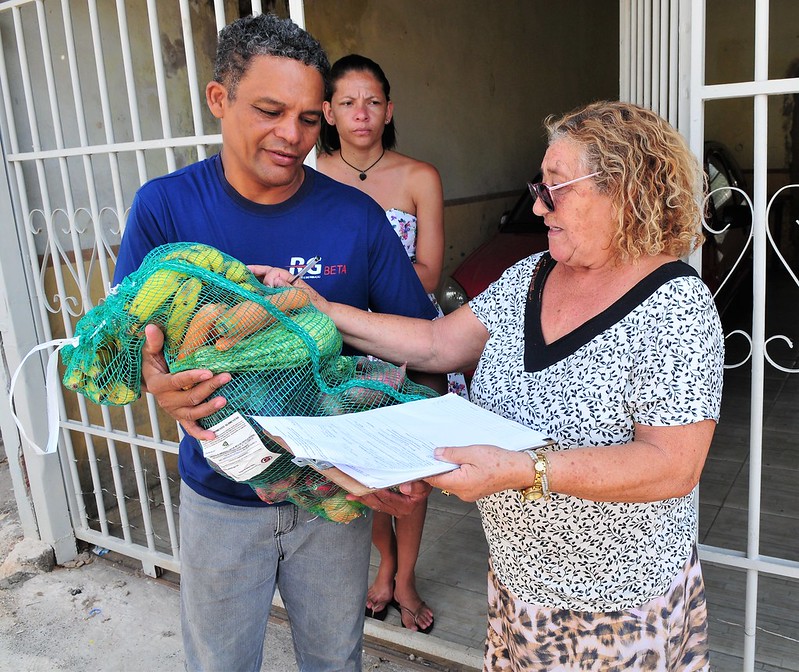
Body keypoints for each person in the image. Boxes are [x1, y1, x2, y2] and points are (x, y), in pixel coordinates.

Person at [261, 100, 724, 671]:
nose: (537, 203)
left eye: (555, 187)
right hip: (517, 588)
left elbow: (673, 464)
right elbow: (437, 344)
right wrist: (325, 310)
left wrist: (525, 470)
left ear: (625, 192)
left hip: (619, 609)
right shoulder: (531, 276)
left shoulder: (676, 305)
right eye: (539, 183)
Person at [112, 13, 438, 672]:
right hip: (221, 500)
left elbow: (418, 353)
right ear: (219, 100)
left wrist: (397, 455)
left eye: (308, 118)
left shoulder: (353, 217)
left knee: (334, 660)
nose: (292, 135)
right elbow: (124, 347)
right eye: (268, 110)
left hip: (332, 504)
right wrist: (157, 382)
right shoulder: (166, 208)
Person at [316, 53, 460, 634]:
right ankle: (384, 564)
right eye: (348, 102)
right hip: (342, 342)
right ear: (327, 111)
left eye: (373, 101)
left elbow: (428, 268)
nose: (361, 113)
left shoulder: (419, 176)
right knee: (364, 462)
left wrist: (374, 300)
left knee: (413, 462)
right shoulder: (310, 176)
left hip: (411, 339)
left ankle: (406, 578)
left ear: (389, 109)